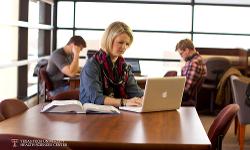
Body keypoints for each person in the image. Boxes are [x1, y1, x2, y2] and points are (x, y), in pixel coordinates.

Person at [80, 21, 143, 107]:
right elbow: (96, 98)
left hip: (117, 113)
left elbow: (136, 93)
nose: (124, 47)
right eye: (120, 42)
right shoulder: (92, 65)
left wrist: (147, 99)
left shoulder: (123, 67)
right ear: (109, 40)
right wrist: (124, 102)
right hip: (92, 115)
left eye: (127, 44)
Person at [175, 38, 207, 106]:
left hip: (186, 98)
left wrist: (172, 91)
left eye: (181, 54)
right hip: (188, 96)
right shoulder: (199, 59)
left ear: (186, 50)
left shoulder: (193, 63)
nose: (181, 57)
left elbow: (186, 89)